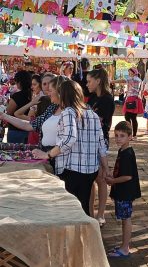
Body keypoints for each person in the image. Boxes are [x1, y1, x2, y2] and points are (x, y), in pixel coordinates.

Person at [32, 80, 109, 216]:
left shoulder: (68, 112)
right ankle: (87, 235)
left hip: (72, 170)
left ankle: (79, 236)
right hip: (90, 170)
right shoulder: (92, 114)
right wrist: (105, 167)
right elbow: (101, 144)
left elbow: (69, 139)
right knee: (83, 208)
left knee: (71, 211)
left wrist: (48, 154)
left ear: (63, 95)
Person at [0, 76, 68, 172]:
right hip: (45, 154)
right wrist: (4, 116)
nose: (48, 93)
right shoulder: (52, 108)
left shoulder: (70, 112)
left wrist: (48, 154)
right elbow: (29, 125)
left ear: (60, 92)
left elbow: (69, 140)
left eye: (51, 90)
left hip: (58, 159)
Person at [105, 121, 141, 257]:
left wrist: (113, 181)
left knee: (126, 219)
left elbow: (127, 176)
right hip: (122, 191)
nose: (118, 138)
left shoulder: (127, 154)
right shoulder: (123, 150)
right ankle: (123, 245)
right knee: (124, 219)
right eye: (116, 135)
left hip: (126, 191)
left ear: (130, 137)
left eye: (122, 136)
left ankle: (125, 248)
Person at [86, 68, 115, 225]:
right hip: (88, 142)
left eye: (89, 81)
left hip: (100, 142)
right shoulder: (91, 98)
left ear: (98, 81)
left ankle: (101, 214)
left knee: (101, 178)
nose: (87, 84)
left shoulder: (107, 99)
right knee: (90, 179)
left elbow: (100, 122)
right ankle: (90, 213)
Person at [111, 67, 144, 140]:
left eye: (129, 72)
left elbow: (123, 80)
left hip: (131, 99)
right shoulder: (139, 79)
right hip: (136, 99)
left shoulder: (132, 79)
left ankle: (130, 135)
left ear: (133, 72)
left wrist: (112, 81)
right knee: (133, 118)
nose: (128, 73)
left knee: (128, 118)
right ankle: (134, 135)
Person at [6, 70, 32, 143]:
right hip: (30, 130)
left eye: (16, 82)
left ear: (19, 83)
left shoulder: (17, 96)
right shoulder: (34, 95)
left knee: (14, 153)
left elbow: (8, 112)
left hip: (16, 130)